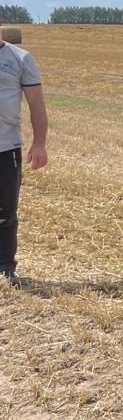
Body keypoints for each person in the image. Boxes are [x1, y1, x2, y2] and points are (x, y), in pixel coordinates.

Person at [0, 24, 48, 283]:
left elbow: (36, 104)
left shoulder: (20, 58)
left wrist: (39, 142)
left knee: (6, 211)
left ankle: (5, 267)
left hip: (6, 147)